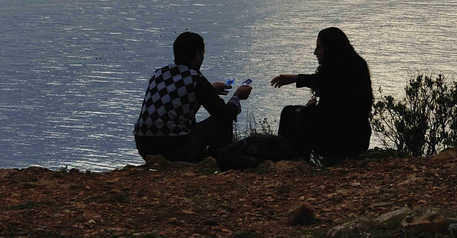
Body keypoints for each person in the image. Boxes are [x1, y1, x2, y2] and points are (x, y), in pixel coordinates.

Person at [134, 31, 251, 162]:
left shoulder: (158, 74)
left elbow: (174, 99)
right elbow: (223, 114)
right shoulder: (196, 79)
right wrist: (237, 96)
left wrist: (210, 90)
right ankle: (215, 161)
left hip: (143, 144)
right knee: (224, 119)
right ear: (197, 54)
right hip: (173, 145)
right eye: (203, 53)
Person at [271, 26, 373, 162]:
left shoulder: (333, 73)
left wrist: (311, 108)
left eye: (319, 47)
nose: (315, 52)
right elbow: (322, 83)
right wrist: (296, 78)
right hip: (360, 139)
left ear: (330, 49)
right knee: (301, 114)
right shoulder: (357, 65)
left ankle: (292, 163)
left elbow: (333, 114)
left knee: (290, 114)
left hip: (339, 140)